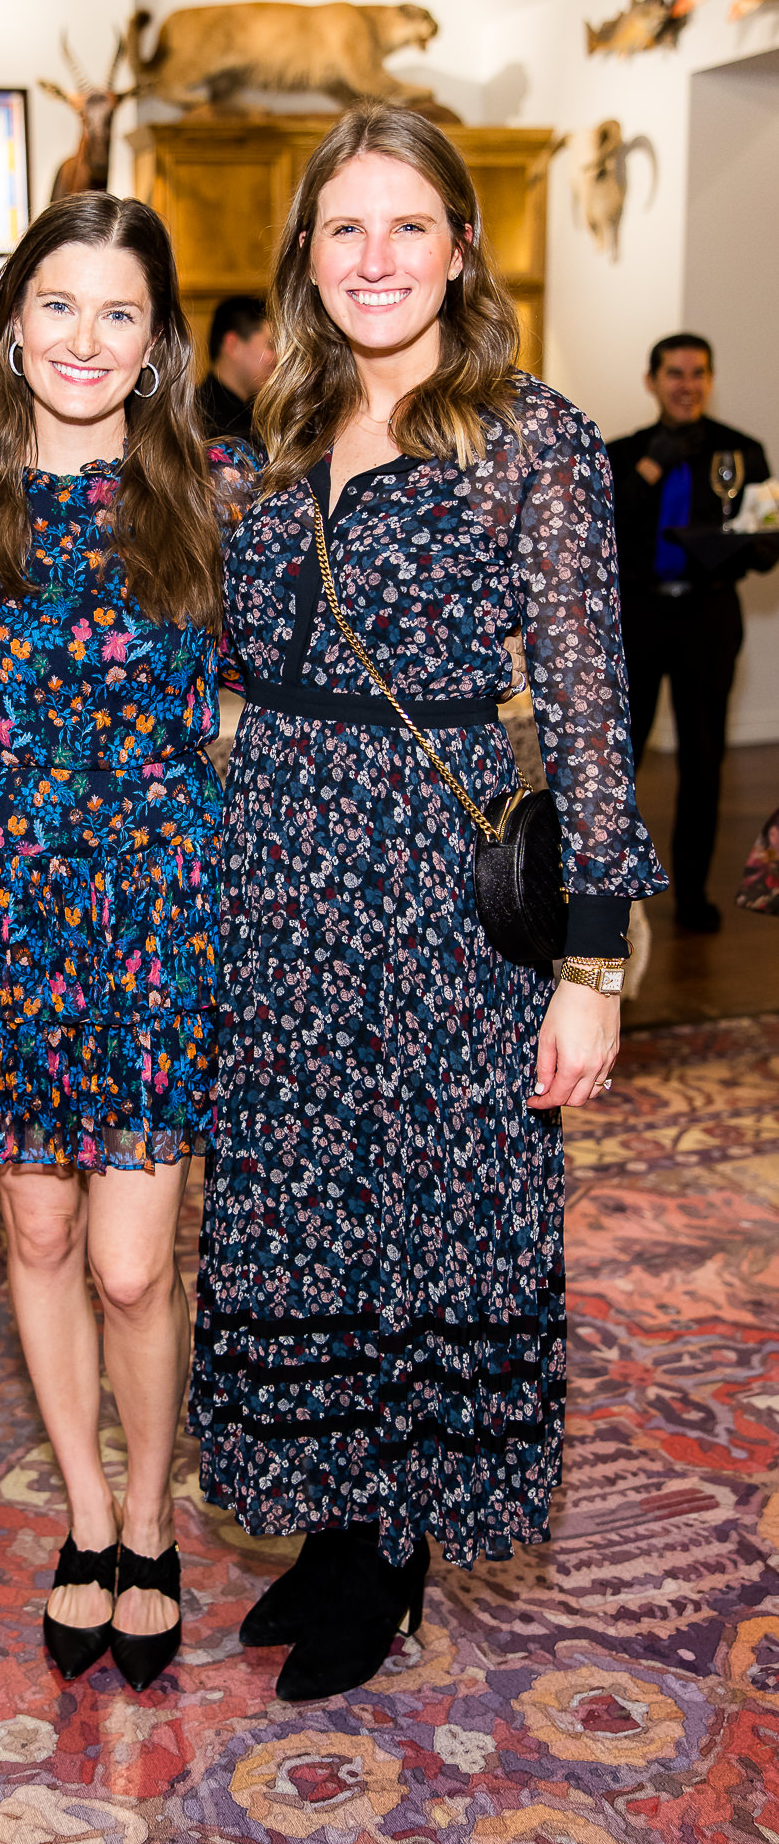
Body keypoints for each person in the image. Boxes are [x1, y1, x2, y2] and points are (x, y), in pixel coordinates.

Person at [189, 104, 666, 1703]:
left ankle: (394, 1550)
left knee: (433, 1211)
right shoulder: (274, 434)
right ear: (306, 254)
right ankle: (334, 1517)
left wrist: (590, 964)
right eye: (346, 227)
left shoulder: (531, 436)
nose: (376, 257)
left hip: (438, 896)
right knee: (306, 1203)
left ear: (461, 248)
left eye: (409, 225)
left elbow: (590, 708)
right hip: (281, 886)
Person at [0, 193, 254, 1691]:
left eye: (121, 312)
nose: (86, 339)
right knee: (38, 1236)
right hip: (3, 917)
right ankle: (94, 1522)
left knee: (128, 1263)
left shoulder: (218, 493)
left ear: (160, 340)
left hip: (160, 912)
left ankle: (157, 1513)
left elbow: (290, 699)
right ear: (12, 321)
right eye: (58, 303)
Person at [606, 335, 773, 933]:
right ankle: (609, 891)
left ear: (711, 379)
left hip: (708, 617)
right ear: (652, 381)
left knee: (704, 759)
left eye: (698, 373)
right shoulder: (623, 453)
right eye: (675, 373)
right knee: (619, 758)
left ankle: (694, 896)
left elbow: (759, 545)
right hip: (638, 618)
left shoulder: (741, 452)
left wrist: (756, 544)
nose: (687, 384)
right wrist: (653, 465)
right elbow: (600, 530)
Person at [195, 295, 277, 446]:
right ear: (233, 345)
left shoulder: (259, 414)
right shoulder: (198, 421)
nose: (278, 359)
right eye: (271, 346)